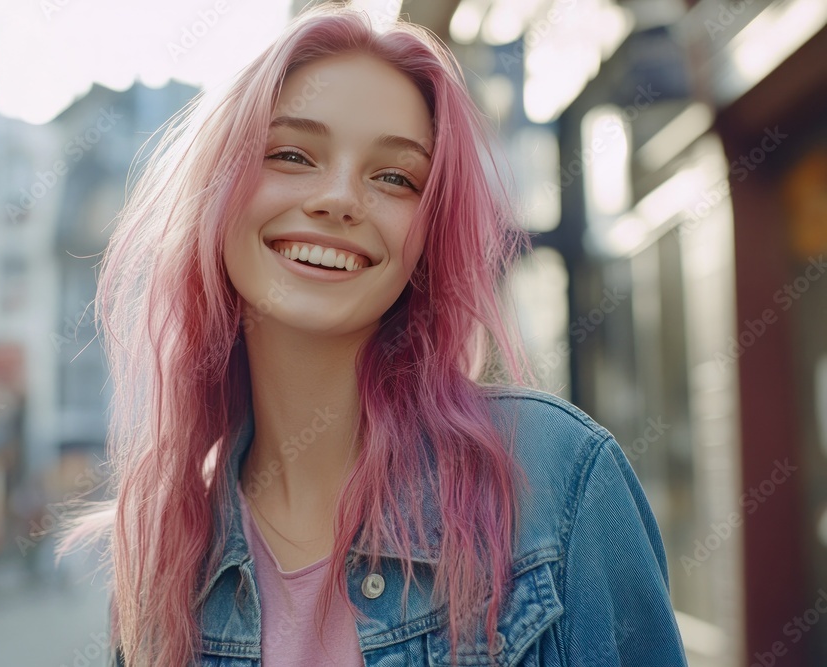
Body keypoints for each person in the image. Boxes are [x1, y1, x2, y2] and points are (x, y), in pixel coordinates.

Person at [60, 5, 690, 666]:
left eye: (394, 176)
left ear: (427, 237)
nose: (339, 198)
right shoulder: (167, 555)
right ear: (219, 198)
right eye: (292, 154)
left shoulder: (559, 480)